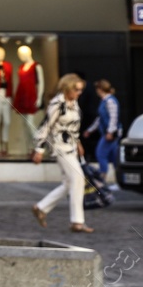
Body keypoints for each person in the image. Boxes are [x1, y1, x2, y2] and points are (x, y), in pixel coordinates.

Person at [31, 73, 92, 234]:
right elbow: (45, 125)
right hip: (60, 147)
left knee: (69, 183)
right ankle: (77, 222)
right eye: (77, 89)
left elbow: (73, 126)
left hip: (71, 146)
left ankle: (41, 207)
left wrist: (78, 142)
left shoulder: (74, 102)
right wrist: (39, 149)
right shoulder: (57, 103)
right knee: (78, 179)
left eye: (81, 90)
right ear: (67, 88)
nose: (79, 93)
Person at [84, 78, 121, 192]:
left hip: (110, 134)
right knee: (115, 158)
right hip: (108, 133)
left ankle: (102, 180)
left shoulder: (109, 101)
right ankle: (118, 181)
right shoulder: (105, 101)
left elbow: (113, 118)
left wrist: (110, 132)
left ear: (100, 89)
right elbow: (100, 119)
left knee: (101, 154)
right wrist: (90, 130)